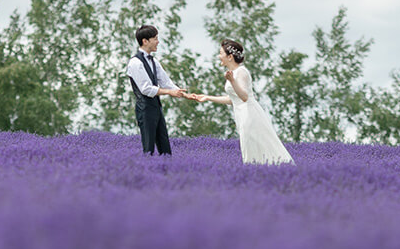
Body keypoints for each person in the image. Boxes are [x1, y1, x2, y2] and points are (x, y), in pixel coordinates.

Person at [193, 39, 294, 165]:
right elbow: (233, 99)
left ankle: (265, 171)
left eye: (221, 53)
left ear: (230, 57)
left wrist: (232, 81)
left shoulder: (241, 72)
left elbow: (244, 97)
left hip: (249, 114)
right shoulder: (233, 73)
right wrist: (207, 97)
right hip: (241, 114)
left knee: (253, 148)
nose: (219, 56)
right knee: (251, 148)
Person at [126, 25, 191, 156]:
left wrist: (182, 93)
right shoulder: (135, 63)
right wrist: (169, 92)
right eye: (155, 39)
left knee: (165, 147)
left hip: (156, 107)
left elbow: (166, 82)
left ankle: (166, 172)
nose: (158, 42)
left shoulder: (154, 61)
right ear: (145, 41)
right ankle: (147, 173)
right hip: (144, 108)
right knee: (148, 148)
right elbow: (146, 89)